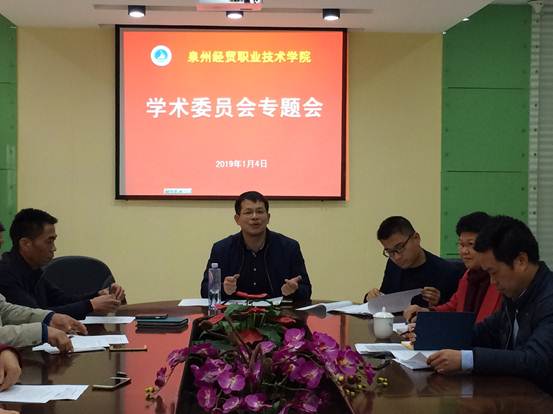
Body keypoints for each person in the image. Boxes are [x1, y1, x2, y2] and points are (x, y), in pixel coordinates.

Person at [427, 216, 553, 395]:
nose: (492, 282)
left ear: (521, 261)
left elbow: (535, 360)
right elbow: (485, 331)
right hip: (515, 394)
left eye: (494, 273)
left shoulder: (548, 298)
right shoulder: (515, 293)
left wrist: (467, 359)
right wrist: (431, 336)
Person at [0, 209, 126, 320]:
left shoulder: (33, 269)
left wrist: (98, 295)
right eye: (49, 242)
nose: (54, 248)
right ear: (25, 244)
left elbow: (62, 300)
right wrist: (90, 305)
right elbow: (36, 315)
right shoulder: (4, 274)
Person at [201, 191, 311, 301]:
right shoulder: (221, 249)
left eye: (259, 211)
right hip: (234, 311)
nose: (254, 217)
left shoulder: (289, 247)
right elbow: (205, 290)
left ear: (268, 217)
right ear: (237, 219)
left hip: (277, 310)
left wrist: (294, 290)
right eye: (248, 212)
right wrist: (223, 288)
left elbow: (306, 290)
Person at [403, 212, 501, 323]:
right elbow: (453, 307)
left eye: (471, 244)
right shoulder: (468, 276)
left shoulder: (500, 281)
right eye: (461, 244)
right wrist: (426, 312)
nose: (464, 251)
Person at [364, 216, 464, 307]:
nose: (397, 257)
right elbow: (385, 300)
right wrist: (371, 298)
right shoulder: (393, 265)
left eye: (400, 247)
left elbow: (458, 312)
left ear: (416, 238)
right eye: (390, 252)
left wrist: (438, 303)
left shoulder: (447, 272)